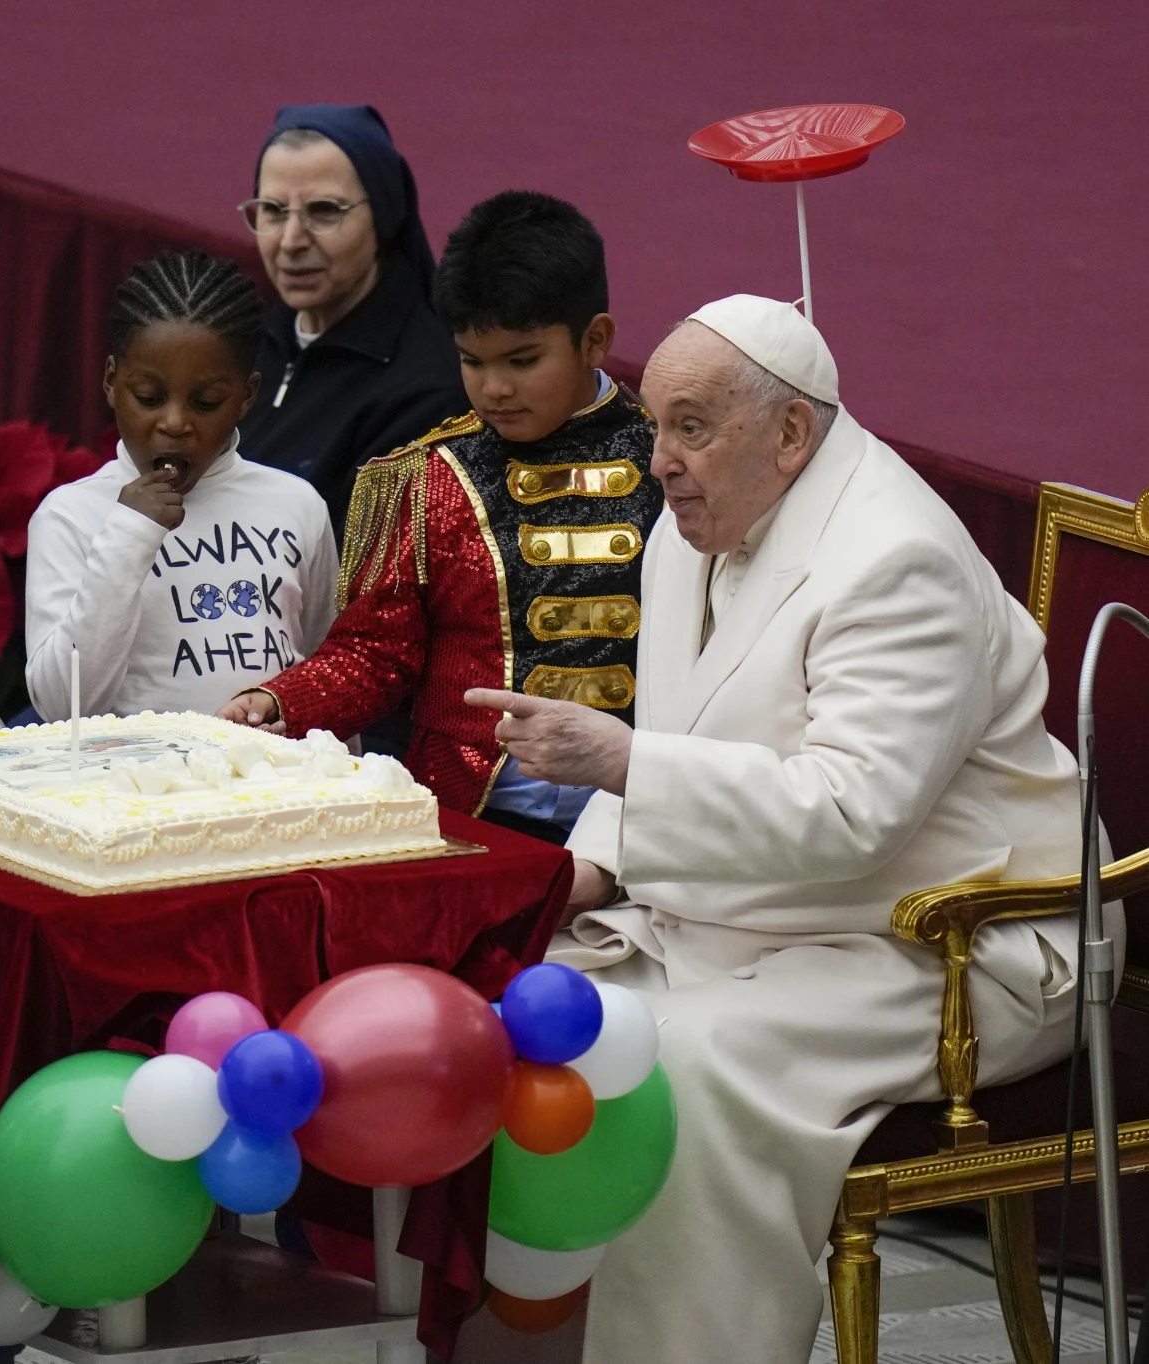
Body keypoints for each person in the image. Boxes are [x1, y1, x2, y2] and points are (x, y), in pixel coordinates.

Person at [460, 295, 1099, 1363]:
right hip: (749, 914)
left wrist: (621, 763)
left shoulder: (898, 562)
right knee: (518, 1022)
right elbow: (683, 727)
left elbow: (852, 812)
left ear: (791, 433)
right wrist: (590, 865)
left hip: (941, 942)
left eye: (692, 426)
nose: (658, 459)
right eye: (656, 423)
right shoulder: (697, 515)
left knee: (674, 1077)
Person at [219, 193, 660, 839]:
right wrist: (281, 700)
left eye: (522, 360)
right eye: (472, 361)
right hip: (471, 817)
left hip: (645, 824)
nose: (494, 389)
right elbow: (374, 653)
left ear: (595, 339)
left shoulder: (669, 466)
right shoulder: (424, 479)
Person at [25, 249, 338, 721]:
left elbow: (329, 674)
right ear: (111, 381)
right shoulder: (71, 515)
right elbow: (61, 707)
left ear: (246, 395)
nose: (174, 423)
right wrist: (127, 538)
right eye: (149, 397)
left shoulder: (297, 505)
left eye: (206, 401)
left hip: (273, 786)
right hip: (133, 787)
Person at [235, 104, 459, 538]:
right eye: (273, 210)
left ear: (383, 216)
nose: (291, 241)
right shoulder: (243, 340)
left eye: (323, 211)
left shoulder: (429, 392)